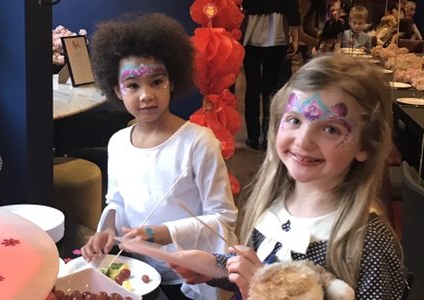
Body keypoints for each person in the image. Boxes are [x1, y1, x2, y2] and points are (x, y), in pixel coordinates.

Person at [162, 54, 406, 299]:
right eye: (294, 120)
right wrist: (214, 267)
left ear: (365, 145)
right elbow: (263, 267)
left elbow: (261, 281)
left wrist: (259, 291)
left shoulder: (371, 243)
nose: (304, 141)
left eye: (331, 129)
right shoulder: (274, 204)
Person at [80, 13, 239, 300]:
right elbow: (116, 200)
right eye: (133, 86)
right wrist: (105, 231)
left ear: (173, 82)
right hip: (141, 271)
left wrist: (160, 233)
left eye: (156, 81)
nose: (145, 95)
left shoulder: (198, 142)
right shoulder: (117, 143)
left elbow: (223, 218)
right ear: (117, 90)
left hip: (192, 275)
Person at [241, 0, 301, 150]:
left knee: (252, 88)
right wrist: (295, 37)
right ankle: (268, 136)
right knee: (270, 89)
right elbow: (292, 8)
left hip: (250, 33)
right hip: (276, 33)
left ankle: (252, 136)